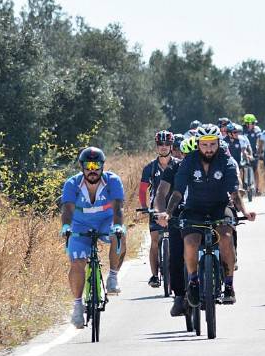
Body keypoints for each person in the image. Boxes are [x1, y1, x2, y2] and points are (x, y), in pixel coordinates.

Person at [157, 124, 256, 306]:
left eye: (212, 144)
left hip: (220, 207)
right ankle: (193, 281)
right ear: (198, 144)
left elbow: (234, 192)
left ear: (218, 143)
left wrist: (245, 212)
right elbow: (178, 192)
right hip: (194, 208)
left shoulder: (226, 161)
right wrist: (168, 213)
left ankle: (228, 285)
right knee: (190, 241)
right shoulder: (189, 161)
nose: (208, 149)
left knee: (226, 236)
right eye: (204, 145)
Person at [60, 147, 126, 328]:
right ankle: (77, 306)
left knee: (119, 235)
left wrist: (118, 226)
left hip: (106, 222)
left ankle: (113, 276)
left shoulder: (112, 181)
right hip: (80, 225)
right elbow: (67, 209)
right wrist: (66, 227)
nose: (92, 170)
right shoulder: (72, 184)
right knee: (77, 262)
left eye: (96, 165)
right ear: (82, 167)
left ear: (102, 166)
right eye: (88, 165)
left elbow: (118, 208)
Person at [153, 136, 198, 316]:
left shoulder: (208, 169)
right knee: (175, 257)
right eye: (187, 154)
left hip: (201, 214)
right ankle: (179, 296)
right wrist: (162, 213)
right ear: (181, 153)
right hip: (178, 215)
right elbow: (161, 193)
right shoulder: (173, 168)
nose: (191, 158)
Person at [139, 130, 177, 288]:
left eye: (167, 144)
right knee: (155, 241)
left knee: (179, 241)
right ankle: (154, 275)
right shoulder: (149, 167)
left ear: (171, 146)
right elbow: (142, 190)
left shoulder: (178, 164)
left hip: (175, 207)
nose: (163, 147)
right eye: (160, 144)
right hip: (156, 207)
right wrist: (143, 207)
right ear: (156, 146)